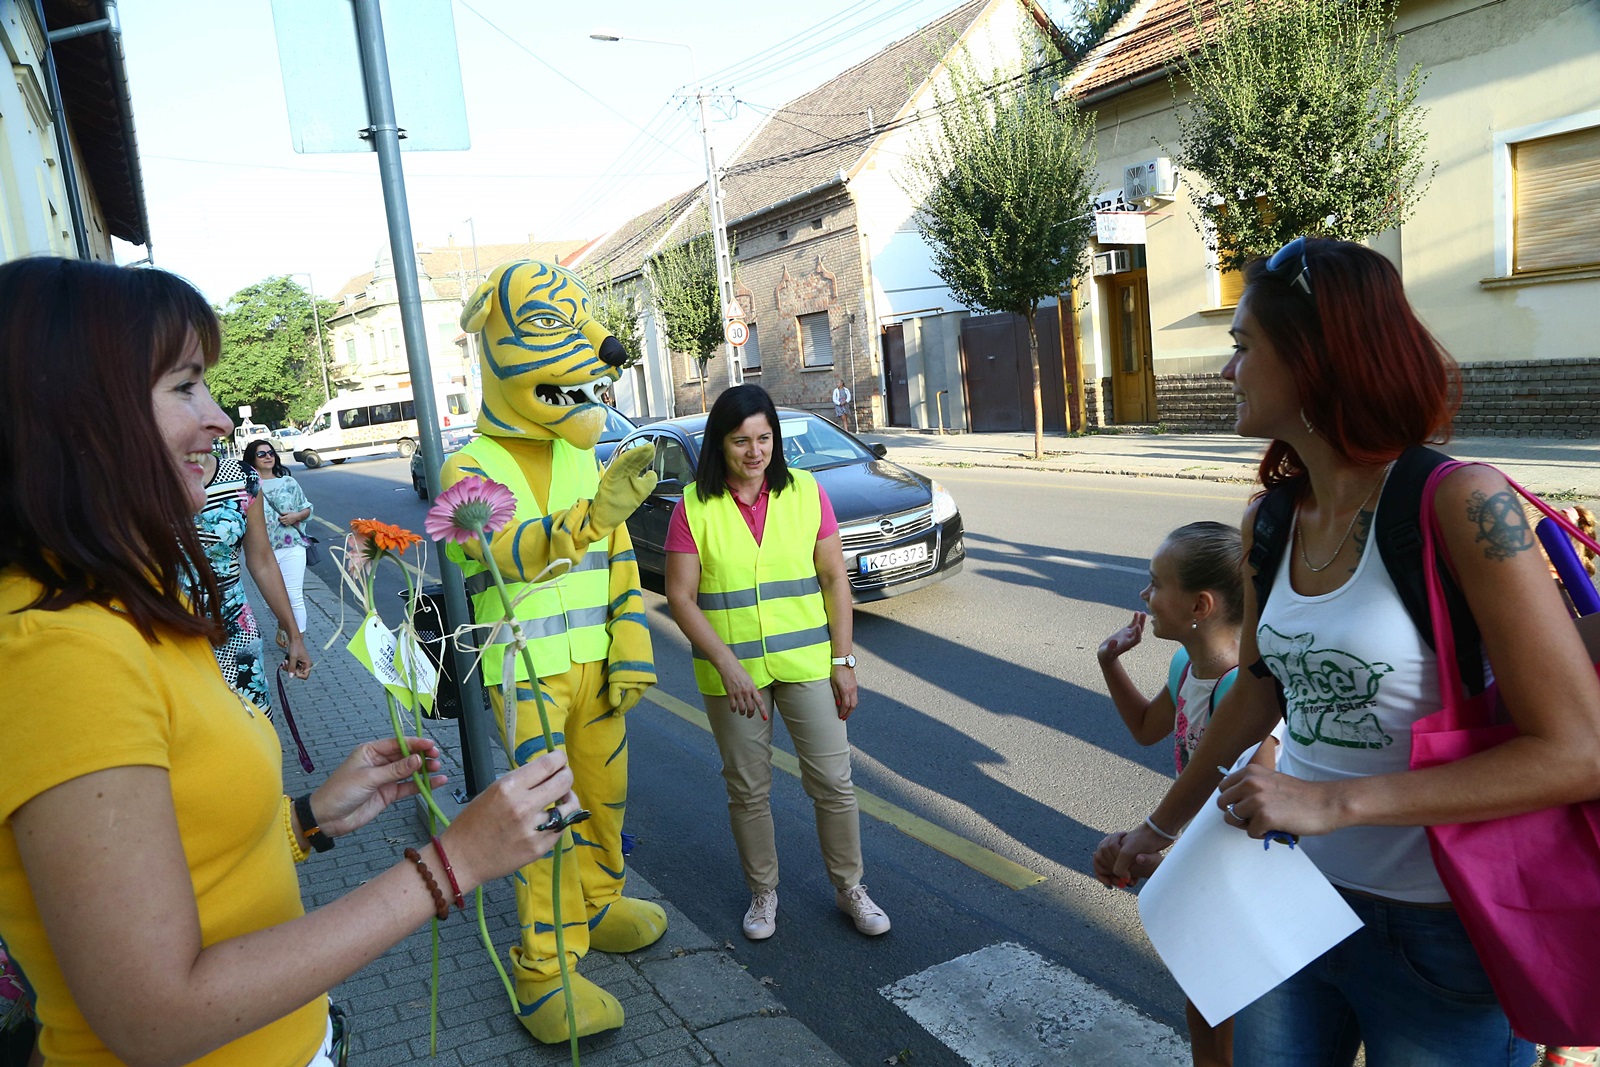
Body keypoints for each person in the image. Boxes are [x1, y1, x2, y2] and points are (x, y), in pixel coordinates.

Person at [0, 256, 584, 1067]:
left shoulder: (116, 607)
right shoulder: (54, 650)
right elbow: (156, 1014)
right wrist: (455, 862)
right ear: (75, 415)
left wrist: (308, 817)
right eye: (183, 386)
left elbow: (177, 863)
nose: (219, 420)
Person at [1100, 237, 1600, 1065]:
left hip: (1443, 930)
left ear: (1314, 357)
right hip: (1290, 898)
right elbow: (1261, 688)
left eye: (1242, 347)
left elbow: (1579, 752)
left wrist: (1333, 801)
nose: (1228, 372)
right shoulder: (1272, 518)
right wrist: (1160, 826)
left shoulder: (1459, 502)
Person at [664, 384, 889, 941]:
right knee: (748, 790)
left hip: (808, 663)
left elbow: (835, 579)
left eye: (764, 438)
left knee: (834, 783)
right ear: (721, 444)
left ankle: (850, 889)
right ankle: (764, 894)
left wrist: (844, 660)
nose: (755, 452)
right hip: (732, 675)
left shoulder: (807, 493)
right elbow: (681, 598)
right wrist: (725, 665)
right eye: (741, 441)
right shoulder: (694, 506)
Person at [1094, 520, 1243, 1067]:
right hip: (1205, 854)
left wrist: (1156, 855)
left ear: (1200, 605)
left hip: (1236, 863)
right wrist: (1110, 662)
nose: (1145, 595)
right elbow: (1147, 727)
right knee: (1206, 1005)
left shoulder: (1239, 691)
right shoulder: (1187, 663)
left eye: (1156, 583)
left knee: (1218, 1007)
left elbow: (1235, 814)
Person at [196, 442, 313, 712]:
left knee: (253, 731)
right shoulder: (131, 483)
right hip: (168, 642)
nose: (220, 421)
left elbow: (261, 561)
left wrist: (294, 636)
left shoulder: (242, 477)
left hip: (237, 637)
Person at [245, 438, 315, 642]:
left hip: (291, 545)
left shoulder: (288, 482)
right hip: (263, 551)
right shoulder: (248, 486)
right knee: (273, 601)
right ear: (252, 459)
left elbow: (308, 507)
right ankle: (283, 624)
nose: (268, 457)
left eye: (270, 453)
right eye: (261, 454)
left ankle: (297, 643)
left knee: (294, 596)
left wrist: (296, 516)